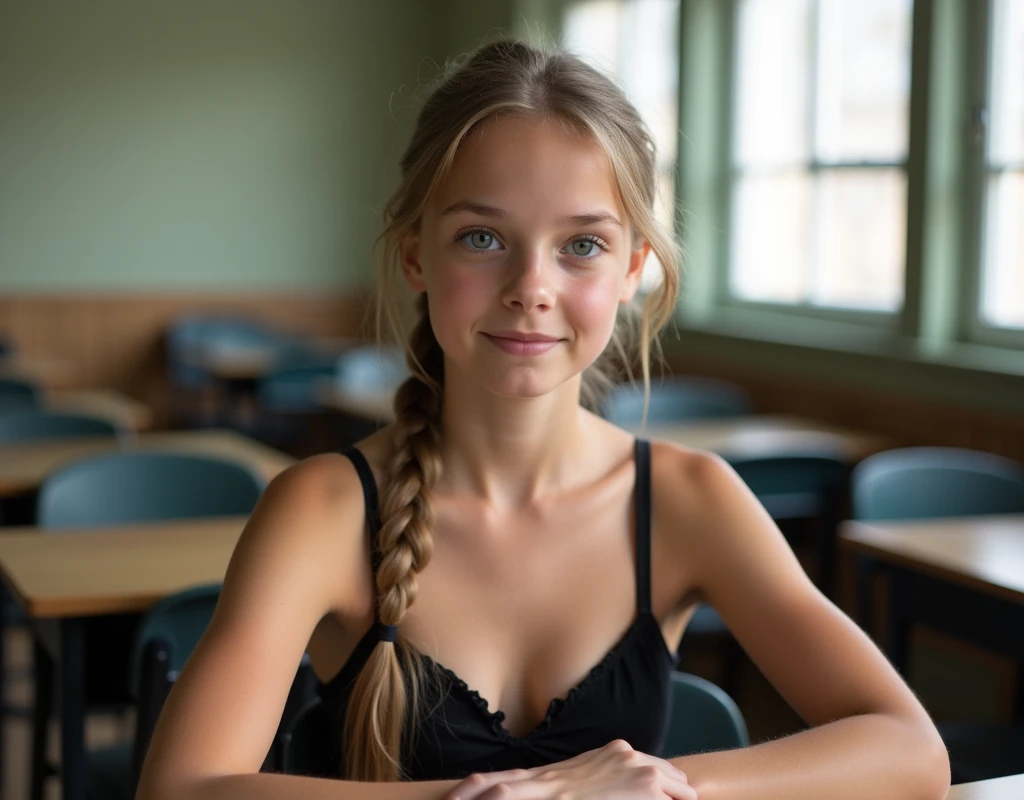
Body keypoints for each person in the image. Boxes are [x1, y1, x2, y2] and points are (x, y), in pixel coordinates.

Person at [137, 37, 950, 800]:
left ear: (634, 266)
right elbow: (180, 789)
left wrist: (658, 786)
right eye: (482, 236)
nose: (532, 286)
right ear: (416, 252)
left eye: (583, 246)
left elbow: (912, 750)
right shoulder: (322, 508)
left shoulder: (689, 498)